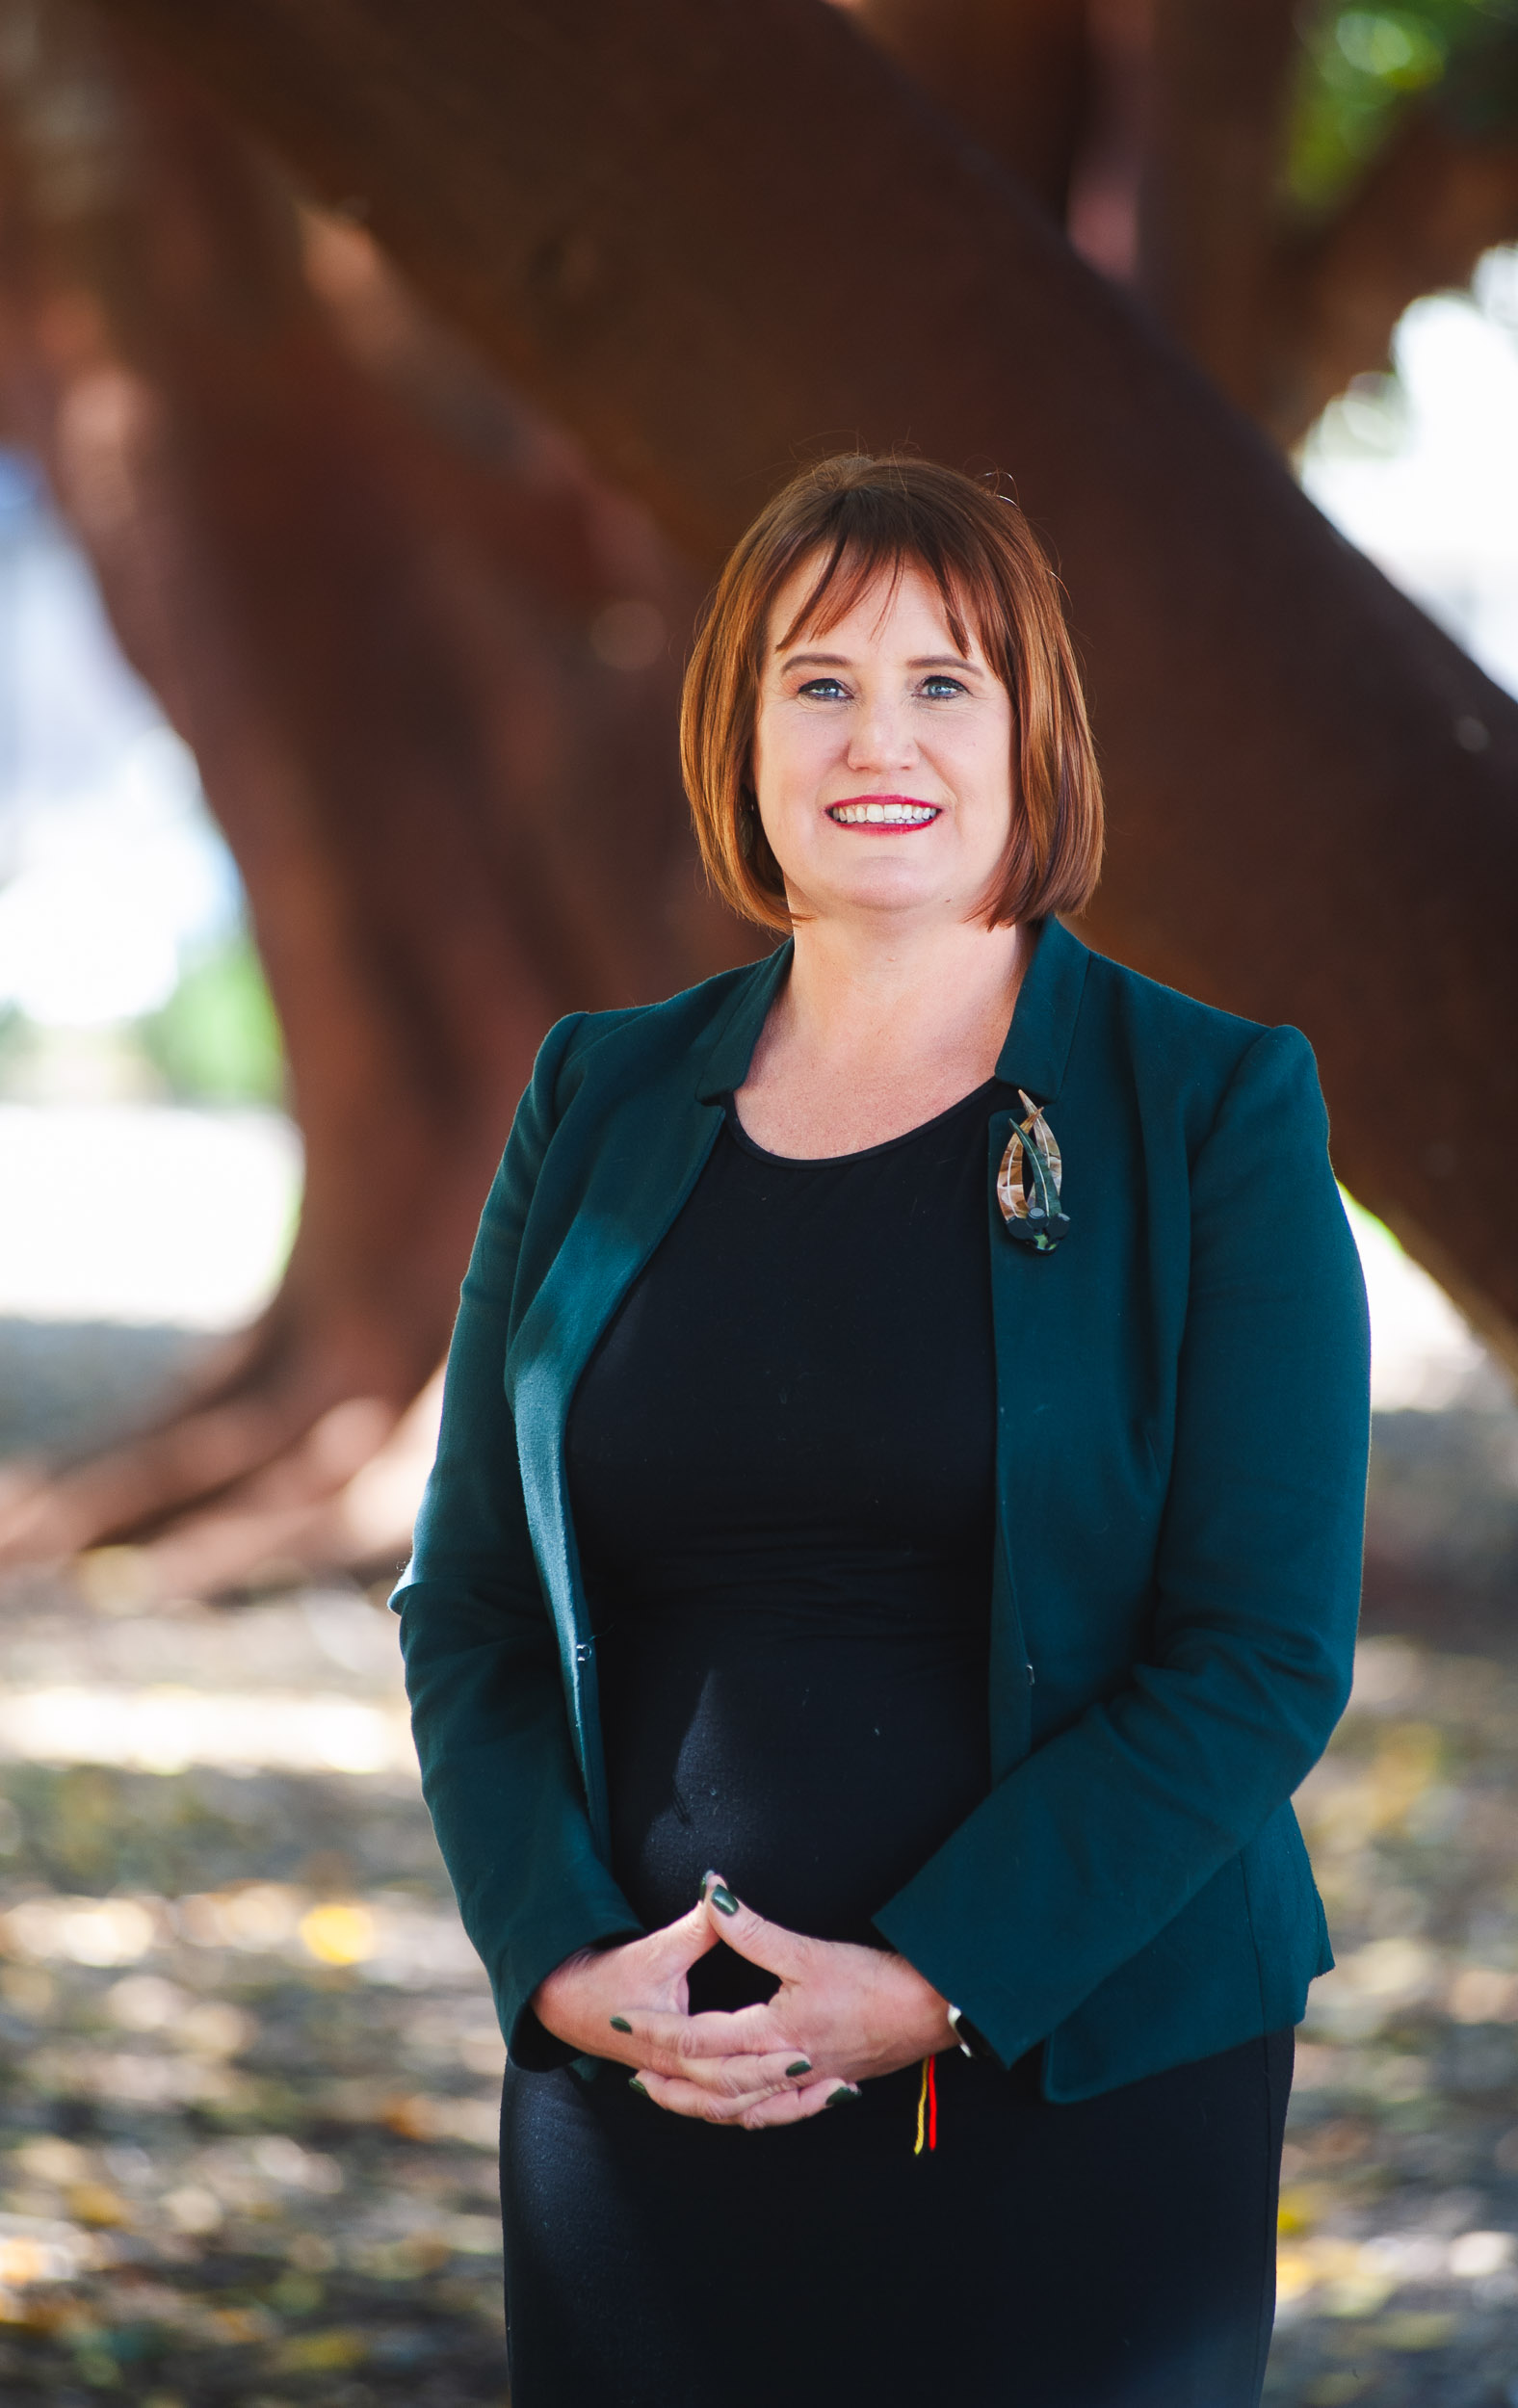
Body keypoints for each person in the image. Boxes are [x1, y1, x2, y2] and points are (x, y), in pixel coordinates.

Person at [393, 453, 1370, 2407]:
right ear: (736, 732)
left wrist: (929, 1979)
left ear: (1035, 735)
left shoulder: (1210, 1110)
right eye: (817, 681)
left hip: (1076, 2078)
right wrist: (567, 1960)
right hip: (647, 2084)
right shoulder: (595, 1091)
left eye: (947, 680)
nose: (879, 737)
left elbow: (1258, 1650)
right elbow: (474, 1605)